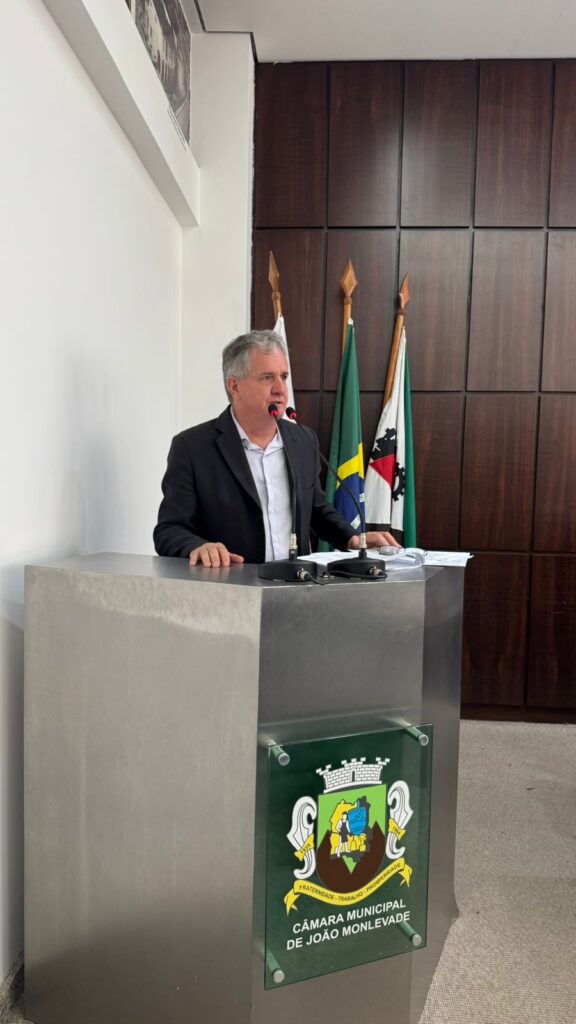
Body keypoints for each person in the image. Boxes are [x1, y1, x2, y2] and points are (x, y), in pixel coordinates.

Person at [153, 330, 399, 567]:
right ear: (234, 387)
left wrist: (353, 538)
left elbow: (317, 509)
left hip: (296, 585)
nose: (281, 389)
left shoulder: (304, 440)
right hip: (232, 586)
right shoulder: (192, 447)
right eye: (267, 377)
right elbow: (169, 530)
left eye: (283, 376)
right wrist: (197, 546)